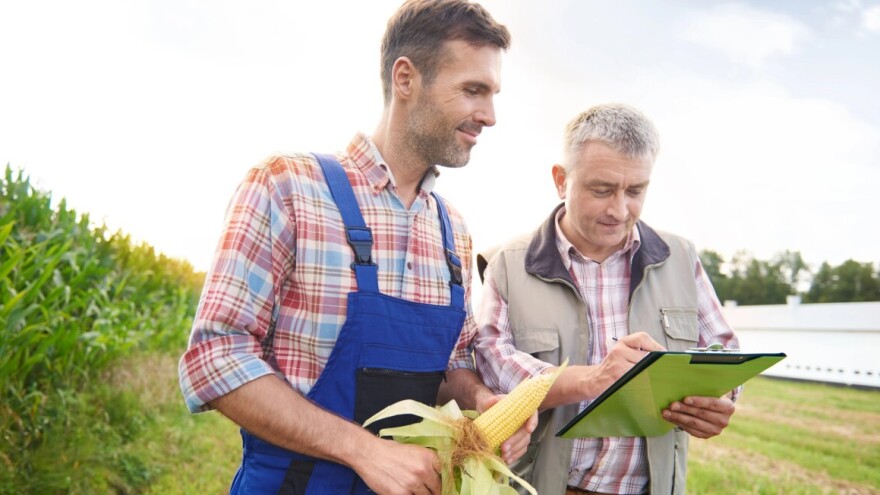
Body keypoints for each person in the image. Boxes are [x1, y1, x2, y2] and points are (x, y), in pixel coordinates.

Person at [177, 2, 529, 494]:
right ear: (405, 79)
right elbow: (215, 357)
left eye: (492, 93)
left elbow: (454, 362)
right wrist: (363, 451)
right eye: (473, 90)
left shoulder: (453, 229)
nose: (489, 116)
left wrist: (481, 400)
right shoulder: (288, 187)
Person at [473, 103, 741, 495]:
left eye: (635, 191)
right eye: (602, 190)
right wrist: (593, 380)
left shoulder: (682, 258)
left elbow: (724, 351)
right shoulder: (508, 265)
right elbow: (491, 362)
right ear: (560, 180)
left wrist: (718, 400)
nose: (619, 209)